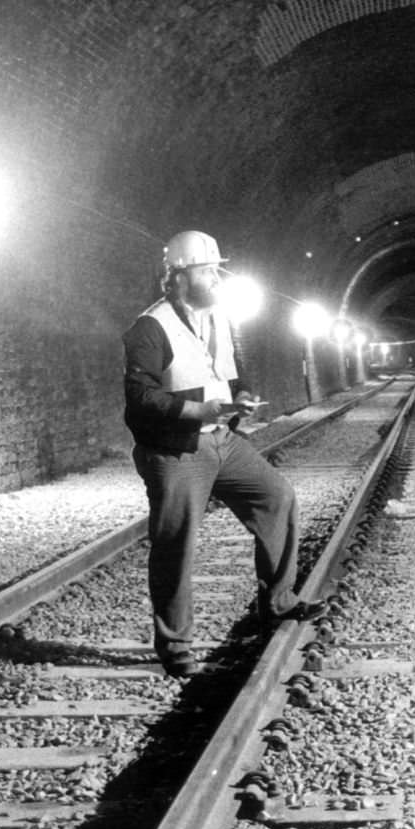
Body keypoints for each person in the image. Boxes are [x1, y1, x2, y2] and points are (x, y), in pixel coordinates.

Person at [123, 229, 323, 677]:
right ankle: (176, 648)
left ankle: (278, 601)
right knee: (175, 545)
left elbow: (235, 369)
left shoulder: (219, 317)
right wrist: (200, 408)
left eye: (217, 269)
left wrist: (244, 394)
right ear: (180, 274)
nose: (216, 277)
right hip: (176, 450)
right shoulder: (150, 327)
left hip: (222, 440)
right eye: (208, 269)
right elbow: (140, 396)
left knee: (276, 497)